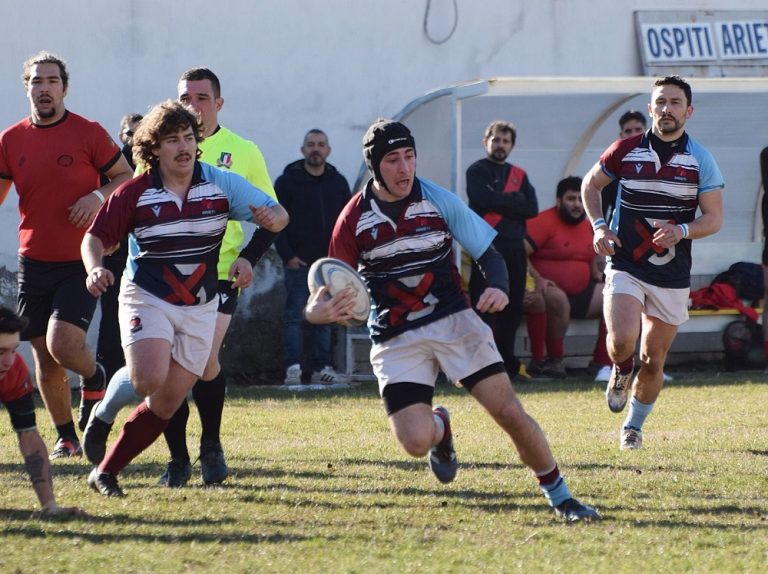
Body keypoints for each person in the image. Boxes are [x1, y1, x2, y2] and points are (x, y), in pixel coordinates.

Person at [305, 119, 599, 522]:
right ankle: (440, 427)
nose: (405, 168)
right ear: (375, 166)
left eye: (409, 156)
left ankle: (562, 497)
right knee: (414, 442)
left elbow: (490, 255)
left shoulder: (438, 200)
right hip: (395, 335)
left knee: (509, 412)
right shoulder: (353, 218)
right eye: (393, 160)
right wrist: (316, 312)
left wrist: (497, 286)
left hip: (453, 320)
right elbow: (329, 285)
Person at [81, 100, 287, 497]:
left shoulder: (221, 183)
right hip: (147, 297)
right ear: (153, 149)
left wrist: (261, 235)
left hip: (201, 305)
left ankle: (104, 472)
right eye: (172, 139)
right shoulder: (135, 192)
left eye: (189, 137)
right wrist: (94, 267)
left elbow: (277, 216)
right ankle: (105, 412)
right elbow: (94, 238)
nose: (183, 147)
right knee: (149, 379)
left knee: (167, 401)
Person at [0, 52, 133, 459]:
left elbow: (126, 177)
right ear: (27, 87)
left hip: (81, 258)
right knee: (42, 351)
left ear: (64, 87)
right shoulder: (11, 139)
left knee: (63, 344)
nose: (44, 88)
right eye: (36, 81)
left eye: (52, 81)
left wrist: (96, 197)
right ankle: (66, 437)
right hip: (33, 260)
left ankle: (95, 376)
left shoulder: (88, 132)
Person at [582, 76, 724, 450]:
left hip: (672, 274)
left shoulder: (701, 159)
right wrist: (599, 226)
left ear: (688, 111)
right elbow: (589, 185)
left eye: (675, 102)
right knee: (621, 341)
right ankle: (619, 368)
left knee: (653, 358)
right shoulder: (624, 149)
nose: (667, 109)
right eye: (660, 102)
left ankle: (633, 426)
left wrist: (682, 230)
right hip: (626, 262)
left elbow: (713, 219)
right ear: (650, 108)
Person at [275, 129, 351, 384]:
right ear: (303, 150)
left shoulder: (338, 182)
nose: (315, 149)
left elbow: (347, 222)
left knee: (327, 317)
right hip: (299, 264)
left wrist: (342, 258)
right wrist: (287, 255)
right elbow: (275, 222)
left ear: (328, 150)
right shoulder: (287, 182)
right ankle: (293, 369)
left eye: (320, 145)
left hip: (329, 266)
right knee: (295, 317)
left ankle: (322, 368)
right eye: (310, 145)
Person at [466, 120, 539, 381]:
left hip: (515, 251)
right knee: (483, 306)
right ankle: (482, 365)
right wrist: (513, 201)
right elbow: (482, 200)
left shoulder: (520, 174)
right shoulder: (476, 171)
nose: (500, 145)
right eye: (496, 140)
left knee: (512, 309)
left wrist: (502, 202)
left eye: (506, 141)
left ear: (512, 145)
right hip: (486, 249)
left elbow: (531, 208)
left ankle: (508, 365)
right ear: (486, 141)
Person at [0, 307, 87, 516]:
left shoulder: (15, 370)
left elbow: (29, 436)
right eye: (0, 352)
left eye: (13, 350)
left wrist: (50, 505)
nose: (9, 361)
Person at [523, 176, 611, 380]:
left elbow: (590, 255)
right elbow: (520, 252)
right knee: (559, 299)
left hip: (582, 292)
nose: (577, 205)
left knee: (616, 297)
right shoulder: (543, 221)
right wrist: (538, 279)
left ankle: (601, 362)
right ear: (559, 200)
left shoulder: (589, 226)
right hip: (547, 291)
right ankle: (553, 361)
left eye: (581, 200)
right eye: (571, 199)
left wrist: (597, 272)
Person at [96, 113, 144, 383]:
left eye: (140, 133)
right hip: (115, 255)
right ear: (121, 136)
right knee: (112, 318)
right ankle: (107, 375)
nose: (134, 140)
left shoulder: (159, 166)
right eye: (129, 134)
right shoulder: (112, 169)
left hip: (147, 256)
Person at [600, 110, 648, 223]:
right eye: (628, 131)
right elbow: (602, 207)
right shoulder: (613, 164)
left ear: (646, 132)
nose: (633, 134)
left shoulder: (661, 160)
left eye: (638, 130)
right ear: (621, 135)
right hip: (621, 232)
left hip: (655, 232)